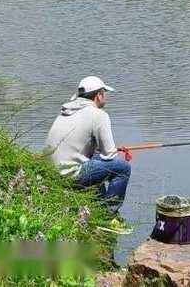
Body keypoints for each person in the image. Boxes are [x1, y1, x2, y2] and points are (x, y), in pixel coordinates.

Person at [45, 76, 132, 214]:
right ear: (98, 95)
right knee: (122, 168)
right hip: (69, 174)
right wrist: (108, 151)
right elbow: (110, 155)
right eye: (104, 93)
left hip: (50, 172)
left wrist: (96, 151)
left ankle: (96, 206)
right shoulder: (99, 115)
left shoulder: (66, 111)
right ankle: (109, 214)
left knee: (98, 161)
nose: (105, 97)